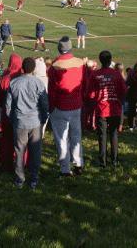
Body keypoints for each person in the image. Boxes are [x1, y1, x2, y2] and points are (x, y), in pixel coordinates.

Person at [5, 57, 48, 189]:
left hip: (21, 121)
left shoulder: (14, 83)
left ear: (22, 68)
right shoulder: (38, 83)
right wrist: (43, 118)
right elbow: (44, 104)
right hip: (34, 121)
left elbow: (8, 106)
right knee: (35, 151)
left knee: (19, 151)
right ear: (33, 69)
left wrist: (13, 119)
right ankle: (33, 178)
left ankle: (20, 178)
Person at [48, 36, 86, 176]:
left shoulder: (55, 66)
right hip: (76, 105)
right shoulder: (80, 63)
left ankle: (65, 168)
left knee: (62, 139)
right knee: (76, 135)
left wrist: (51, 107)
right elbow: (85, 84)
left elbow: (51, 89)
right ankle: (78, 163)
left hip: (60, 106)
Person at [87, 50, 127, 168]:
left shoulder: (95, 75)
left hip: (101, 108)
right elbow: (124, 90)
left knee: (102, 135)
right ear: (110, 61)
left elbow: (90, 94)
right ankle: (114, 160)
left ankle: (102, 161)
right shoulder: (116, 74)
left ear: (100, 61)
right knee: (114, 134)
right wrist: (118, 99)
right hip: (115, 108)